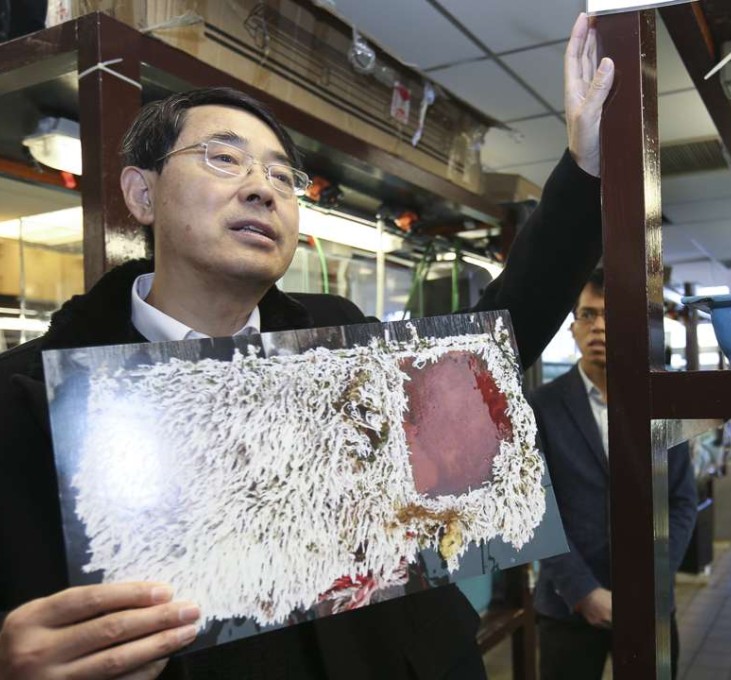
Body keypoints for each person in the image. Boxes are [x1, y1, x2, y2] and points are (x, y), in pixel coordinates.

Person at [0, 13, 614, 680]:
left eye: (283, 178)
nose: (264, 188)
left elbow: (493, 343)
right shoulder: (33, 402)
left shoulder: (337, 342)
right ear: (142, 193)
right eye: (224, 159)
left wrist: (585, 172)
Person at [528, 268, 698, 680]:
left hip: (649, 603)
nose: (599, 326)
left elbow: (681, 501)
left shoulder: (662, 402)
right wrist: (583, 592)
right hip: (566, 604)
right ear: (572, 328)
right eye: (587, 315)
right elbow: (534, 512)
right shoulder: (540, 407)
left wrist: (651, 580)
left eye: (609, 314)